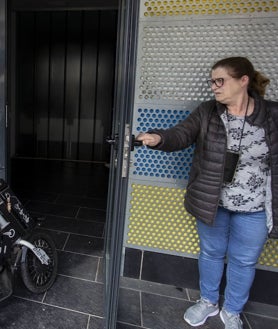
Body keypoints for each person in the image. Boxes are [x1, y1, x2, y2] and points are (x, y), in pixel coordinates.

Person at [136, 56, 278, 329]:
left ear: (243, 81)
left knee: (244, 261)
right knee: (211, 253)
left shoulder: (271, 115)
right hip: (213, 201)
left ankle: (233, 311)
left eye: (220, 81)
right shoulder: (207, 112)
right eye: (212, 81)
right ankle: (208, 302)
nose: (214, 86)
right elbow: (181, 134)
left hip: (256, 207)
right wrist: (158, 138)